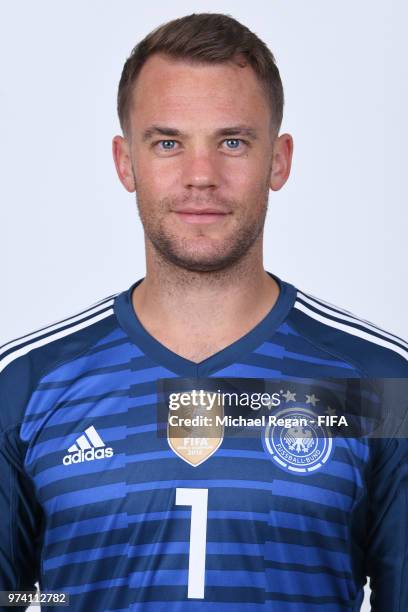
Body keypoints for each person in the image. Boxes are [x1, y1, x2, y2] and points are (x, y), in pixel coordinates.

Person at [0, 12, 407, 612]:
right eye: (167, 143)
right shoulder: (28, 386)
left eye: (233, 142)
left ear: (279, 160)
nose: (201, 177)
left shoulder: (376, 384)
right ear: (124, 162)